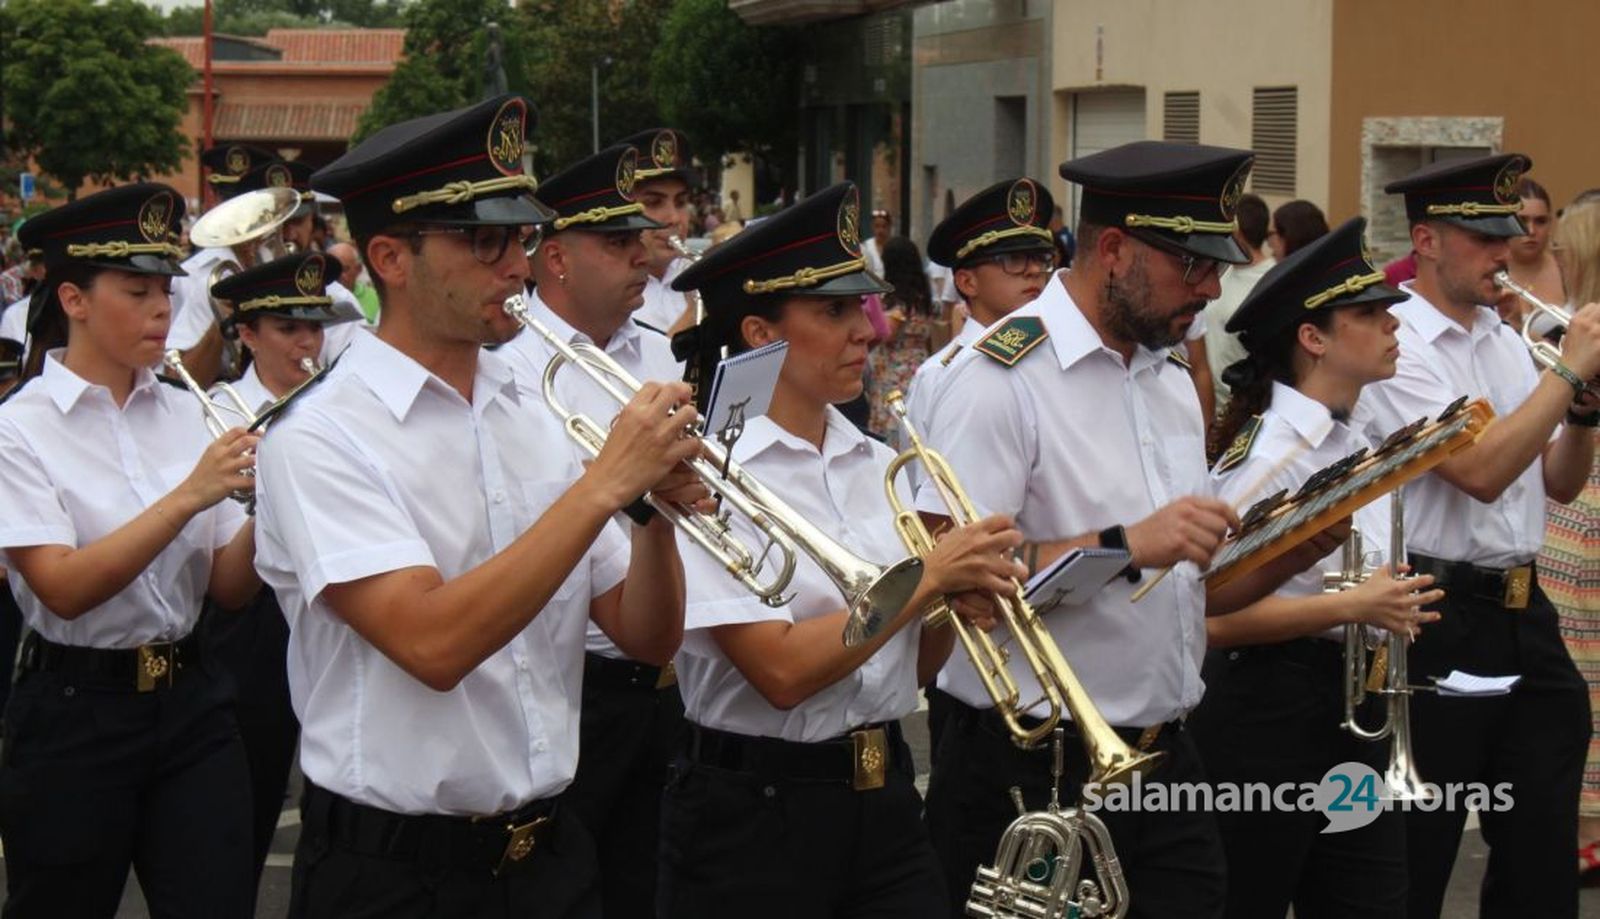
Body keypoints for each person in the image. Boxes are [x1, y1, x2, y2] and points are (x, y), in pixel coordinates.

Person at [255, 93, 708, 919]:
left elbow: (643, 636)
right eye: (485, 240)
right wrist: (606, 484)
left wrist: (656, 519)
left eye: (524, 238)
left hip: (549, 856)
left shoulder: (531, 409)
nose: (518, 265)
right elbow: (432, 641)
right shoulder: (319, 435)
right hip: (394, 870)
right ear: (391, 257)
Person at [916, 141, 1316, 919]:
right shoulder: (999, 380)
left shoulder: (1166, 378)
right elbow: (955, 586)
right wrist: (1124, 544)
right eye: (1190, 265)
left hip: (1165, 752)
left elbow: (1192, 588)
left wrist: (1296, 544)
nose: (1209, 288)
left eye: (1217, 267)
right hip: (1033, 761)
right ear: (1113, 250)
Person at [658, 181, 1026, 918]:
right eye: (835, 310)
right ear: (763, 333)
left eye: (860, 305)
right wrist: (928, 577)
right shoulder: (710, 476)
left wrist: (955, 605)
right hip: (755, 816)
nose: (869, 329)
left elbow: (906, 669)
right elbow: (783, 670)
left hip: (884, 793)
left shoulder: (871, 459)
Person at [0, 182, 262, 917]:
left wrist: (274, 509)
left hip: (192, 699)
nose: (162, 311)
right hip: (76, 709)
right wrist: (188, 494)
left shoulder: (185, 411)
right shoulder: (19, 428)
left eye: (167, 290)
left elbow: (229, 586)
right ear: (75, 300)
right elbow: (64, 586)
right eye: (137, 290)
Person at [1362, 153, 1600, 919]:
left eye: (1511, 233)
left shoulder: (1504, 338)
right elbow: (1480, 470)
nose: (1507, 252)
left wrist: (1585, 411)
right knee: (1421, 854)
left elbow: (1556, 483)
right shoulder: (1396, 341)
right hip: (1440, 615)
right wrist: (1567, 374)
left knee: (1540, 860)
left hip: (1525, 615)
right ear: (1427, 240)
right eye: (1483, 236)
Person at [1189, 216, 1446, 919]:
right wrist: (1348, 608)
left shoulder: (1359, 439)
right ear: (1313, 338)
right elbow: (1203, 616)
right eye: (1369, 314)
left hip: (1354, 705)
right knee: (1253, 897)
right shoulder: (1266, 460)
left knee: (1371, 901)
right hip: (1267, 711)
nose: (1393, 325)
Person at [499, 141, 684, 919]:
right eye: (617, 242)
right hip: (574, 682)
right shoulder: (507, 367)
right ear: (557, 260)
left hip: (668, 677)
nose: (643, 255)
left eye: (640, 238)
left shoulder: (665, 352)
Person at [202, 250, 353, 881]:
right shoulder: (217, 414)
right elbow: (227, 587)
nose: (308, 342)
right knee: (249, 810)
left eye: (315, 327)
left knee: (341, 801)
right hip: (255, 633)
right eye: (289, 328)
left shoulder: (343, 408)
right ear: (246, 333)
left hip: (339, 612)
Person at [1532, 198, 1600, 878]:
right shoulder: (1560, 325)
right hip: (1577, 490)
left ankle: (1587, 823)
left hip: (1582, 508)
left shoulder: (1571, 328)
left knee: (1581, 650)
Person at [168, 143, 282, 387]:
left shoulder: (276, 263)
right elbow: (176, 374)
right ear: (216, 199)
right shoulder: (193, 276)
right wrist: (221, 322)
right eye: (230, 201)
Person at [1200, 192, 1274, 422]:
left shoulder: (1270, 283)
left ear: (1236, 231)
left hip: (1242, 416)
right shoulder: (1222, 274)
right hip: (1210, 411)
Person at [617, 128, 698, 333]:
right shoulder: (608, 290)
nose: (674, 219)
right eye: (654, 203)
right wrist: (698, 311)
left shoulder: (694, 273)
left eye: (681, 202)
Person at [866, 235, 937, 444]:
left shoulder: (898, 300)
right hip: (918, 363)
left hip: (895, 371)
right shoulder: (922, 294)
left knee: (895, 425)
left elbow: (888, 334)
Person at [1502, 176, 1564, 326]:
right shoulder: (1487, 273)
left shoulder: (1567, 269)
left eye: (1540, 221)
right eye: (1522, 220)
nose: (1531, 230)